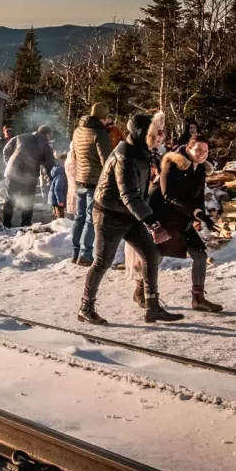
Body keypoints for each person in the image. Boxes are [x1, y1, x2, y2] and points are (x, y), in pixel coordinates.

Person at [78, 114, 185, 326]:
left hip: (130, 214)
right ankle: (85, 307)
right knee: (102, 261)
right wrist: (152, 223)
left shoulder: (142, 152)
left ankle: (151, 306)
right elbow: (129, 195)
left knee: (152, 254)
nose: (161, 137)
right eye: (157, 133)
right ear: (143, 134)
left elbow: (140, 192)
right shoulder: (125, 155)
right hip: (109, 214)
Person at [148, 135, 223, 313]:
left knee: (200, 255)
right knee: (155, 256)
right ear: (188, 149)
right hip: (164, 218)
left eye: (205, 151)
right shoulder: (171, 164)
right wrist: (195, 212)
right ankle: (143, 293)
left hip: (183, 219)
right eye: (198, 150)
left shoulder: (200, 170)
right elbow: (168, 195)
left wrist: (202, 215)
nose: (202, 154)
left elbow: (197, 197)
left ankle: (198, 299)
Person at [70, 103, 113, 265]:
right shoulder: (100, 133)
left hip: (79, 178)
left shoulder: (77, 131)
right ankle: (85, 254)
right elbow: (107, 161)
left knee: (78, 217)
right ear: (103, 118)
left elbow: (74, 154)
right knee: (90, 219)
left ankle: (75, 252)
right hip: (94, 181)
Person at [1, 125, 56, 228]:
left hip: (12, 173)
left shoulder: (20, 137)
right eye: (50, 135)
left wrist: (9, 163)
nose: (50, 138)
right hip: (29, 177)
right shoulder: (45, 145)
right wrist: (51, 177)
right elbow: (49, 164)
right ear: (47, 134)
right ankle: (25, 224)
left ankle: (6, 223)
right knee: (28, 200)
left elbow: (5, 150)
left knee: (10, 199)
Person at [48, 151, 67, 219]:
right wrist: (60, 201)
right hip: (57, 200)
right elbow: (57, 189)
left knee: (56, 216)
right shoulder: (61, 173)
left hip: (54, 199)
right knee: (60, 218)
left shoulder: (57, 170)